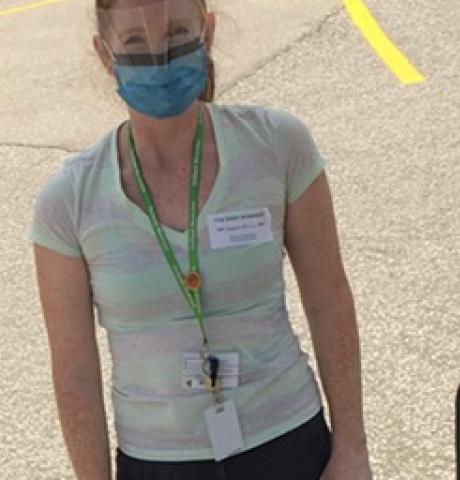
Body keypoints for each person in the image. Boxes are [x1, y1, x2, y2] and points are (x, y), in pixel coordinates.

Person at [28, 0, 372, 478]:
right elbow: (74, 374)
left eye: (176, 34)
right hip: (156, 462)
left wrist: (352, 449)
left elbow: (330, 300)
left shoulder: (278, 146)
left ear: (206, 33)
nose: (159, 57)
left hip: (289, 441)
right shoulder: (67, 202)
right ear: (104, 55)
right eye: (134, 43)